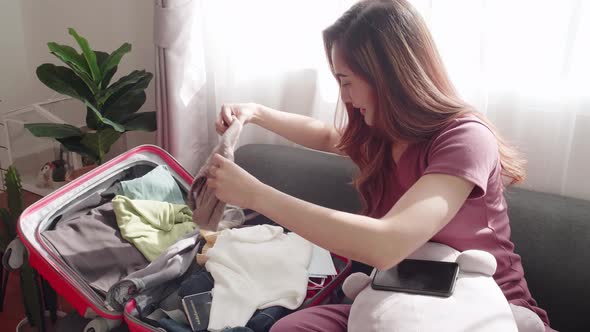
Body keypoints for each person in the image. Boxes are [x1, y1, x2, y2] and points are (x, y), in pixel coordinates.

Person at [205, 0, 552, 331]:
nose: (344, 97)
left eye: (346, 80)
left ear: (388, 75)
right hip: (402, 297)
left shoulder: (466, 138)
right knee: (292, 327)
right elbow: (328, 137)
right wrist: (256, 112)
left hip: (484, 308)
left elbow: (387, 245)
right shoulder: (385, 136)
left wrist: (256, 195)